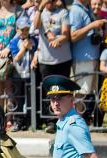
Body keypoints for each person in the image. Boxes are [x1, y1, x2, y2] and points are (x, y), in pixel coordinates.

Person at [33, 0, 72, 132]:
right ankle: (50, 121)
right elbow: (35, 26)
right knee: (48, 92)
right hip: (46, 60)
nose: (49, 2)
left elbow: (66, 33)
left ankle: (63, 119)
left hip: (62, 60)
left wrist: (57, 40)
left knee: (62, 92)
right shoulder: (40, 13)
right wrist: (40, 8)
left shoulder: (63, 12)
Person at [69, 0, 105, 116]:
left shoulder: (86, 9)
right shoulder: (76, 10)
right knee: (81, 92)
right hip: (82, 59)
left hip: (91, 58)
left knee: (88, 92)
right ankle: (76, 120)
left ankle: (81, 119)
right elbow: (73, 36)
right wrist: (92, 25)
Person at [8, 15, 34, 130]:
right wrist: (24, 48)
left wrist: (31, 48)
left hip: (30, 75)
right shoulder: (14, 42)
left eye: (27, 29)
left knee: (30, 99)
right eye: (22, 29)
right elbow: (16, 58)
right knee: (18, 98)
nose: (25, 32)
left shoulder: (33, 40)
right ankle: (18, 121)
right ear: (17, 30)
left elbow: (36, 52)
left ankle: (29, 122)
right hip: (18, 74)